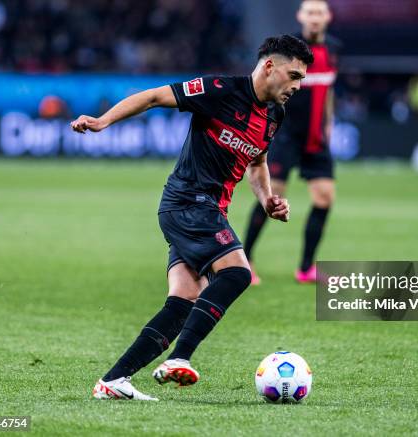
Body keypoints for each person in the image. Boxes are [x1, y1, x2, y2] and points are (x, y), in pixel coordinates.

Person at [70, 35, 313, 400]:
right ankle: (179, 358)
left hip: (206, 209)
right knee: (236, 273)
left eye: (301, 79)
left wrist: (268, 200)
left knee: (182, 302)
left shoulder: (274, 115)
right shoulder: (218, 90)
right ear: (269, 66)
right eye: (294, 75)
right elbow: (153, 96)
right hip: (188, 202)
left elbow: (258, 162)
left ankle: (113, 381)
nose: (297, 86)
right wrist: (103, 122)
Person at [243, 0, 340, 284]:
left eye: (319, 13)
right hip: (285, 135)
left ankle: (306, 268)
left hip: (316, 139)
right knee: (270, 199)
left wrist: (329, 122)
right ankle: (245, 260)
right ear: (300, 16)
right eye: (309, 12)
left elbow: (329, 91)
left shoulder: (335, 50)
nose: (314, 18)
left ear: (327, 17)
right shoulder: (287, 52)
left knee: (325, 197)